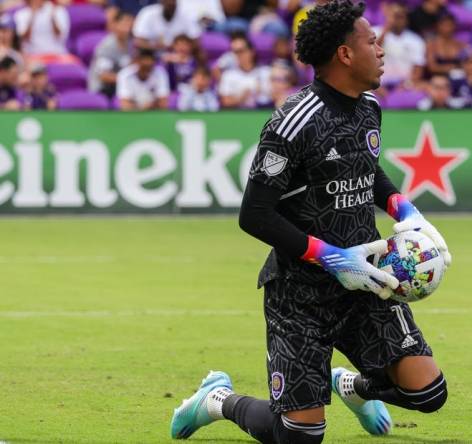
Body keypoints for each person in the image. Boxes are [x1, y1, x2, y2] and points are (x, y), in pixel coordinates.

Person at [169, 2, 451, 443]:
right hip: (300, 294)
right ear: (344, 54)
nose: (381, 49)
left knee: (429, 392)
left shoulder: (369, 107)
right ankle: (218, 400)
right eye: (371, 41)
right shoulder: (292, 122)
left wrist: (404, 209)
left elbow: (366, 168)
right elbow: (254, 214)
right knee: (300, 437)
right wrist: (334, 259)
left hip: (368, 283)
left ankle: (351, 387)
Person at [373, 1, 426, 90]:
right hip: (379, 83)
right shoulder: (374, 32)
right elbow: (372, 53)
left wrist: (406, 85)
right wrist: (386, 28)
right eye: (394, 16)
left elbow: (418, 69)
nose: (396, 20)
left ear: (406, 19)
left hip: (405, 85)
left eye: (400, 17)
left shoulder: (416, 40)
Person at [217, 34, 272, 108]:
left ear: (252, 51)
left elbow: (276, 95)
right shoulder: (228, 75)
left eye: (241, 51)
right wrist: (241, 98)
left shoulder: (266, 72)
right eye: (235, 52)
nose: (237, 55)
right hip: (239, 115)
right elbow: (225, 101)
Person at [88, 11, 134, 98]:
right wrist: (127, 80)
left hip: (121, 86)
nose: (127, 29)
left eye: (129, 25)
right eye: (124, 24)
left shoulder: (131, 44)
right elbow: (104, 76)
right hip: (103, 88)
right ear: (115, 25)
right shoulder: (106, 47)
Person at [133, 0, 201, 50]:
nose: (171, 4)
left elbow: (196, 40)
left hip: (179, 55)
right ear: (162, 2)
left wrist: (180, 47)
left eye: (173, 3)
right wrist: (157, 47)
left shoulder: (186, 14)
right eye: (168, 4)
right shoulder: (148, 13)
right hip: (153, 55)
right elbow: (138, 41)